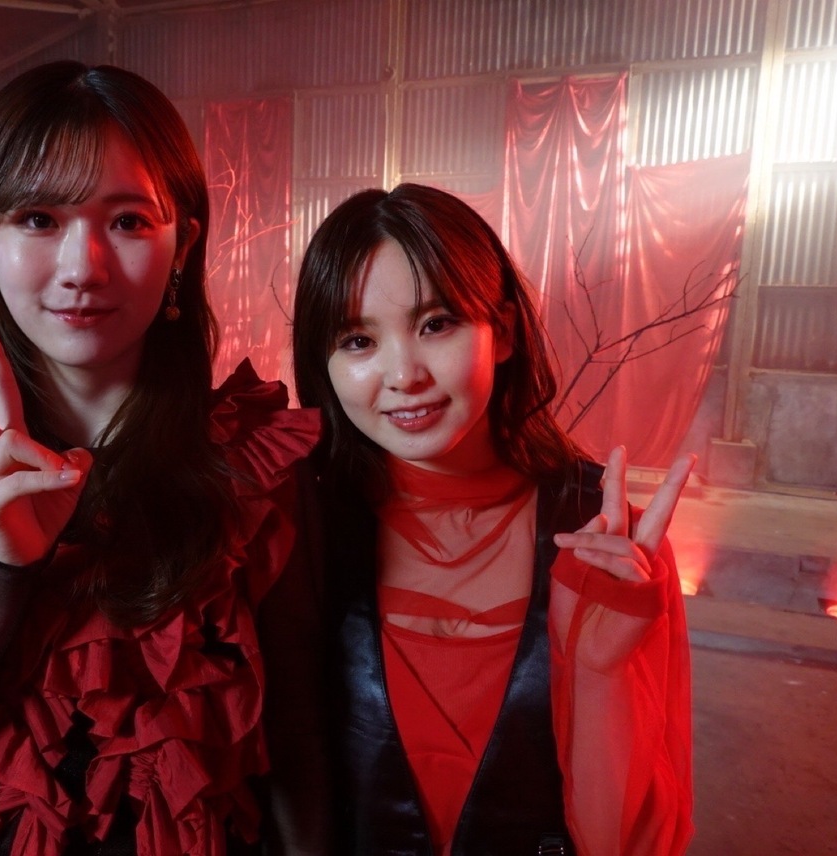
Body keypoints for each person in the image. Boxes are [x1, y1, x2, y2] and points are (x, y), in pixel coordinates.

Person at [0, 60, 327, 856]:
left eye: (127, 220)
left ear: (183, 244)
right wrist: (2, 572)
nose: (82, 268)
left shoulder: (253, 469)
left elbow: (301, 754)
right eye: (37, 218)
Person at [292, 183, 694, 855]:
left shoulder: (605, 543)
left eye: (436, 324)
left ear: (502, 332)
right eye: (358, 340)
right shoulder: (302, 528)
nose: (404, 374)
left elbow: (629, 845)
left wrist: (601, 675)